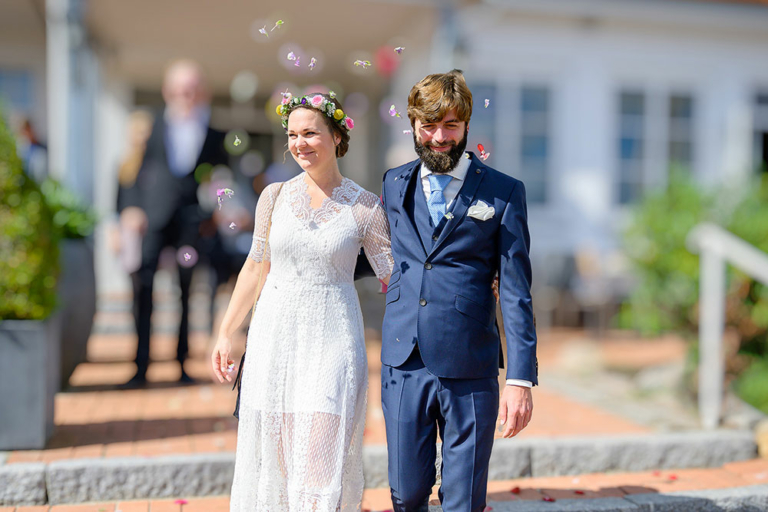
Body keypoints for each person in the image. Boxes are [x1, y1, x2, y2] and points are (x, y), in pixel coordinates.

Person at [211, 92, 393, 511]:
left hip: (333, 338)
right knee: (276, 458)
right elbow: (255, 268)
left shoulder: (365, 207)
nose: (299, 144)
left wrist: (469, 279)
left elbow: (394, 275)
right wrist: (227, 331)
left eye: (310, 132)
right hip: (274, 338)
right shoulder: (272, 197)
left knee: (320, 453)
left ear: (336, 135)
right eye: (292, 135)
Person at [379, 70, 538, 511]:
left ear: (467, 125)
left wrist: (520, 379)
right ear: (413, 125)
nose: (439, 137)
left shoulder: (504, 193)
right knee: (405, 494)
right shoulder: (393, 183)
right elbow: (378, 249)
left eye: (450, 125)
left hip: (470, 362)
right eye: (428, 125)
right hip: (402, 359)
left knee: (463, 499)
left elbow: (516, 290)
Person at [119, 60, 228, 386]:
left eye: (192, 88)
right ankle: (141, 367)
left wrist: (218, 212)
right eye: (180, 88)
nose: (186, 95)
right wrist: (131, 208)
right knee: (144, 289)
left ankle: (181, 364)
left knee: (186, 292)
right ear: (168, 91)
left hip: (192, 223)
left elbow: (222, 181)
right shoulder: (152, 124)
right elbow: (134, 170)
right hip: (152, 218)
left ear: (202, 92)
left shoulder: (214, 133)